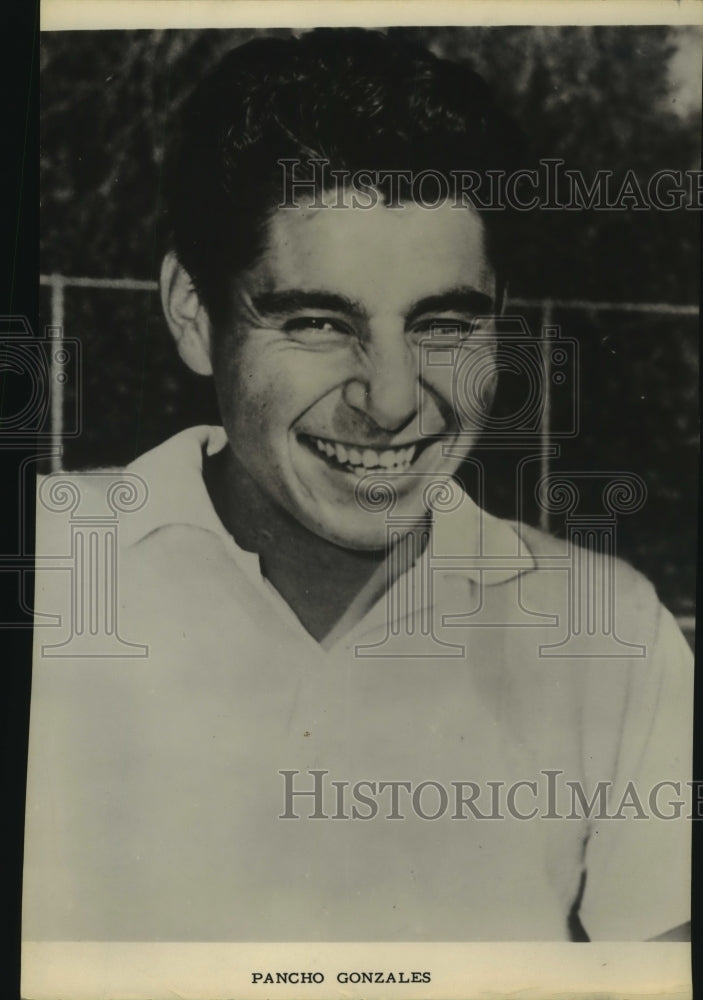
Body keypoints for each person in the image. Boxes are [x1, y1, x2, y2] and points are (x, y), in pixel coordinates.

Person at [24, 28, 692, 944]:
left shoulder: (612, 638)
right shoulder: (50, 572)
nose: (390, 399)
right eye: (314, 321)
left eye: (445, 324)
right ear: (193, 315)